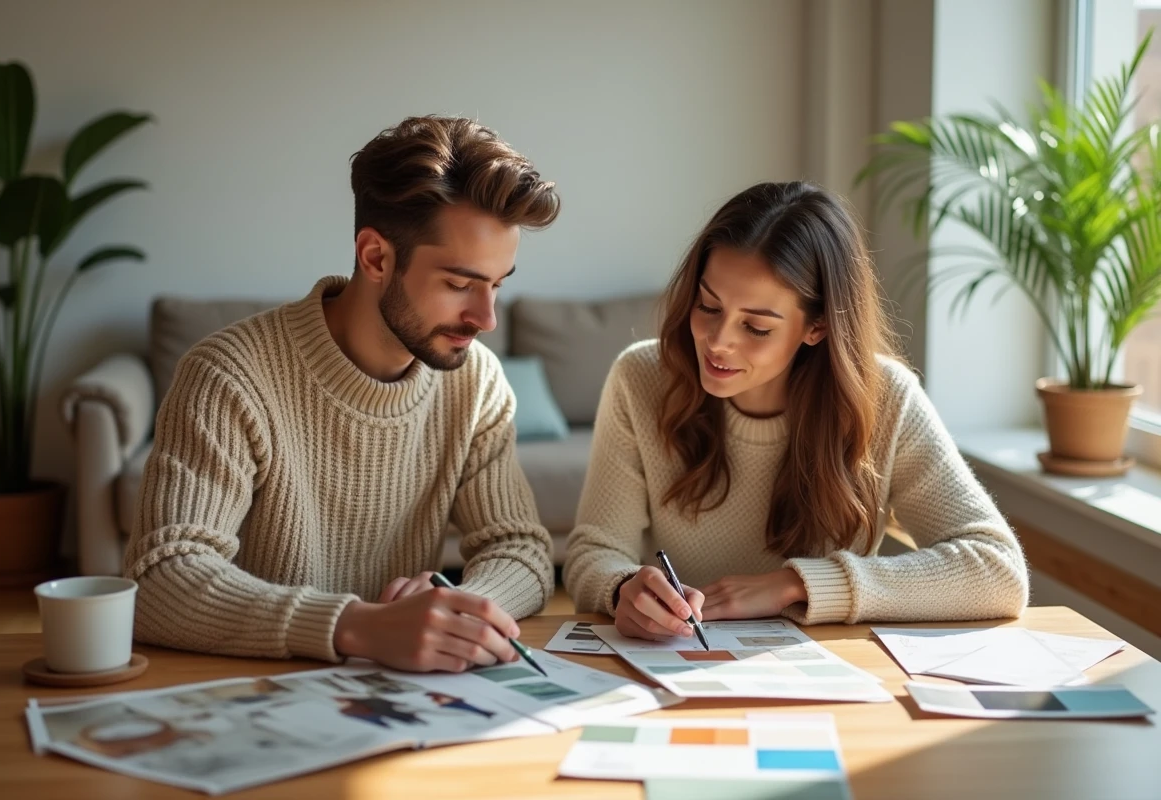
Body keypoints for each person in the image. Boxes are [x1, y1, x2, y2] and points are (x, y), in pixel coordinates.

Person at [123, 116, 560, 670]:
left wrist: (459, 612)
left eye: (497, 285)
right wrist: (360, 627)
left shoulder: (475, 383)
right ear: (376, 257)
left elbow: (521, 550)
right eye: (459, 284)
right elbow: (161, 577)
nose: (487, 318)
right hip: (248, 692)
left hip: (403, 702)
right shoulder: (228, 376)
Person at [563, 181, 1028, 641]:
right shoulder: (641, 378)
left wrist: (795, 585)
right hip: (677, 660)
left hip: (828, 676)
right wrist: (623, 587)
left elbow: (998, 570)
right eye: (708, 305)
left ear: (818, 326)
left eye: (756, 327)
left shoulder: (885, 398)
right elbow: (593, 553)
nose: (718, 340)